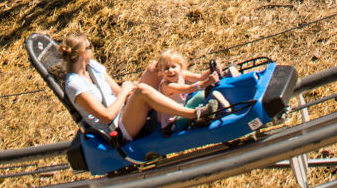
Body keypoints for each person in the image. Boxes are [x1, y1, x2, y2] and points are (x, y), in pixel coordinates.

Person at [57, 31, 217, 140]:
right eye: (89, 48)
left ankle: (203, 79)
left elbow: (118, 91)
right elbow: (106, 116)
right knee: (142, 91)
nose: (92, 51)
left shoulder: (93, 67)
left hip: (125, 110)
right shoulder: (75, 85)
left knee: (156, 67)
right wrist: (126, 93)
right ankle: (193, 114)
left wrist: (126, 91)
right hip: (117, 128)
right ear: (82, 53)